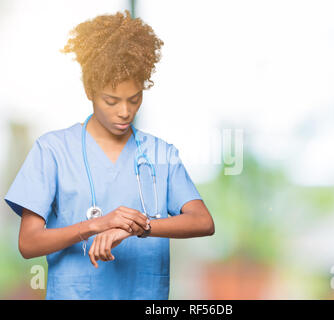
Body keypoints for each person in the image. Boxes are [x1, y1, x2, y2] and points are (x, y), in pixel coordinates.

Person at [3, 9, 215, 300]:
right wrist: (96, 225)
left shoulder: (160, 153)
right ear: (90, 90)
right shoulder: (52, 150)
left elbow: (203, 221)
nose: (125, 111)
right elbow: (28, 243)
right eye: (111, 101)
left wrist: (138, 228)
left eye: (134, 99)